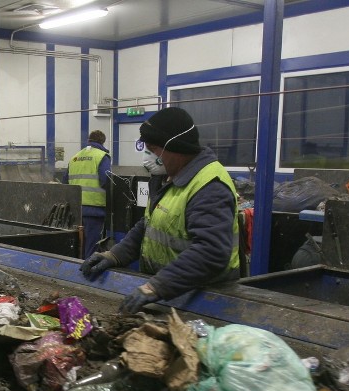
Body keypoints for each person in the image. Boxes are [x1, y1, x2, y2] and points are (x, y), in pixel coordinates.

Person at [79, 107, 239, 314]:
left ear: (175, 147)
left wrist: (155, 287)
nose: (148, 156)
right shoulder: (168, 178)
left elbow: (211, 251)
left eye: (153, 149)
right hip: (172, 297)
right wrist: (114, 255)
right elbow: (149, 226)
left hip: (207, 304)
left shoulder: (209, 186)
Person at [63, 130, 111, 259]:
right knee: (92, 244)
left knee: (78, 243)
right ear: (102, 141)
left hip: (76, 209)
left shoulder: (75, 157)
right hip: (95, 209)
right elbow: (106, 180)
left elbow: (65, 182)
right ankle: (87, 273)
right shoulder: (101, 157)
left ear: (88, 140)